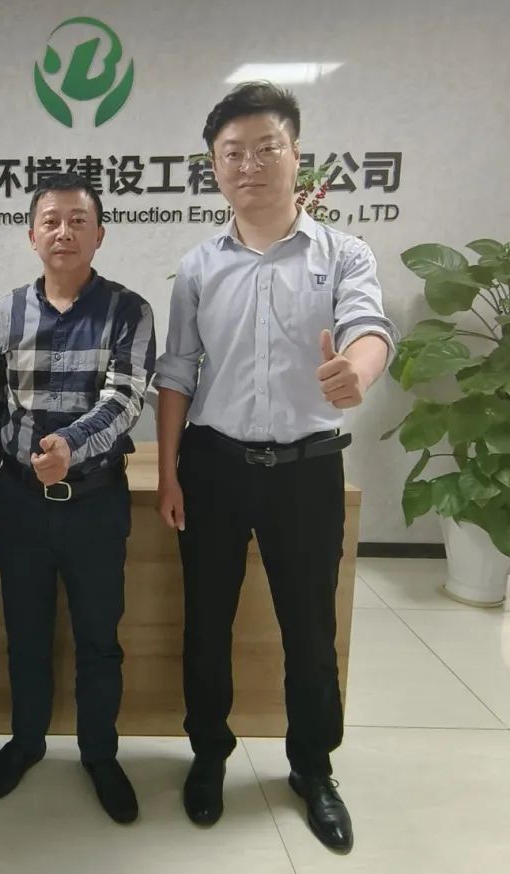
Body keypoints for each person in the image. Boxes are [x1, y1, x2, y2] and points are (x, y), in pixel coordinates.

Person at [154, 82, 397, 854]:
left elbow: (370, 329)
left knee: (310, 628)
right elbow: (178, 373)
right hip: (213, 466)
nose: (250, 165)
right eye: (232, 153)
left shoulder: (343, 254)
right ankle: (208, 755)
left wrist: (358, 371)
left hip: (306, 470)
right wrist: (169, 473)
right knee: (206, 622)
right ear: (214, 167)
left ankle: (312, 769)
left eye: (267, 148)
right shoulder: (198, 267)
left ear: (297, 156)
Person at [0, 173, 156, 824]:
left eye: (78, 220)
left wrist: (68, 447)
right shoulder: (4, 314)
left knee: (99, 639)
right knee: (25, 634)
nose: (64, 232)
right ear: (32, 236)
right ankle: (26, 743)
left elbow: (126, 398)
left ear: (99, 234)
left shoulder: (129, 310)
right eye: (50, 220)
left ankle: (99, 753)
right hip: (20, 504)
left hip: (96, 503)